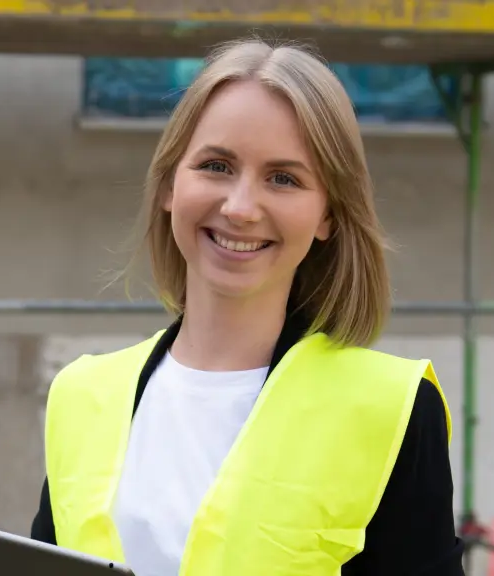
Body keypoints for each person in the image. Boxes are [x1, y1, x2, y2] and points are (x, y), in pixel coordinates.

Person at [27, 38, 465, 576]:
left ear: (328, 214)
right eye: (216, 166)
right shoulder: (81, 396)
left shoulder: (391, 410)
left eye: (283, 178)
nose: (239, 208)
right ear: (169, 185)